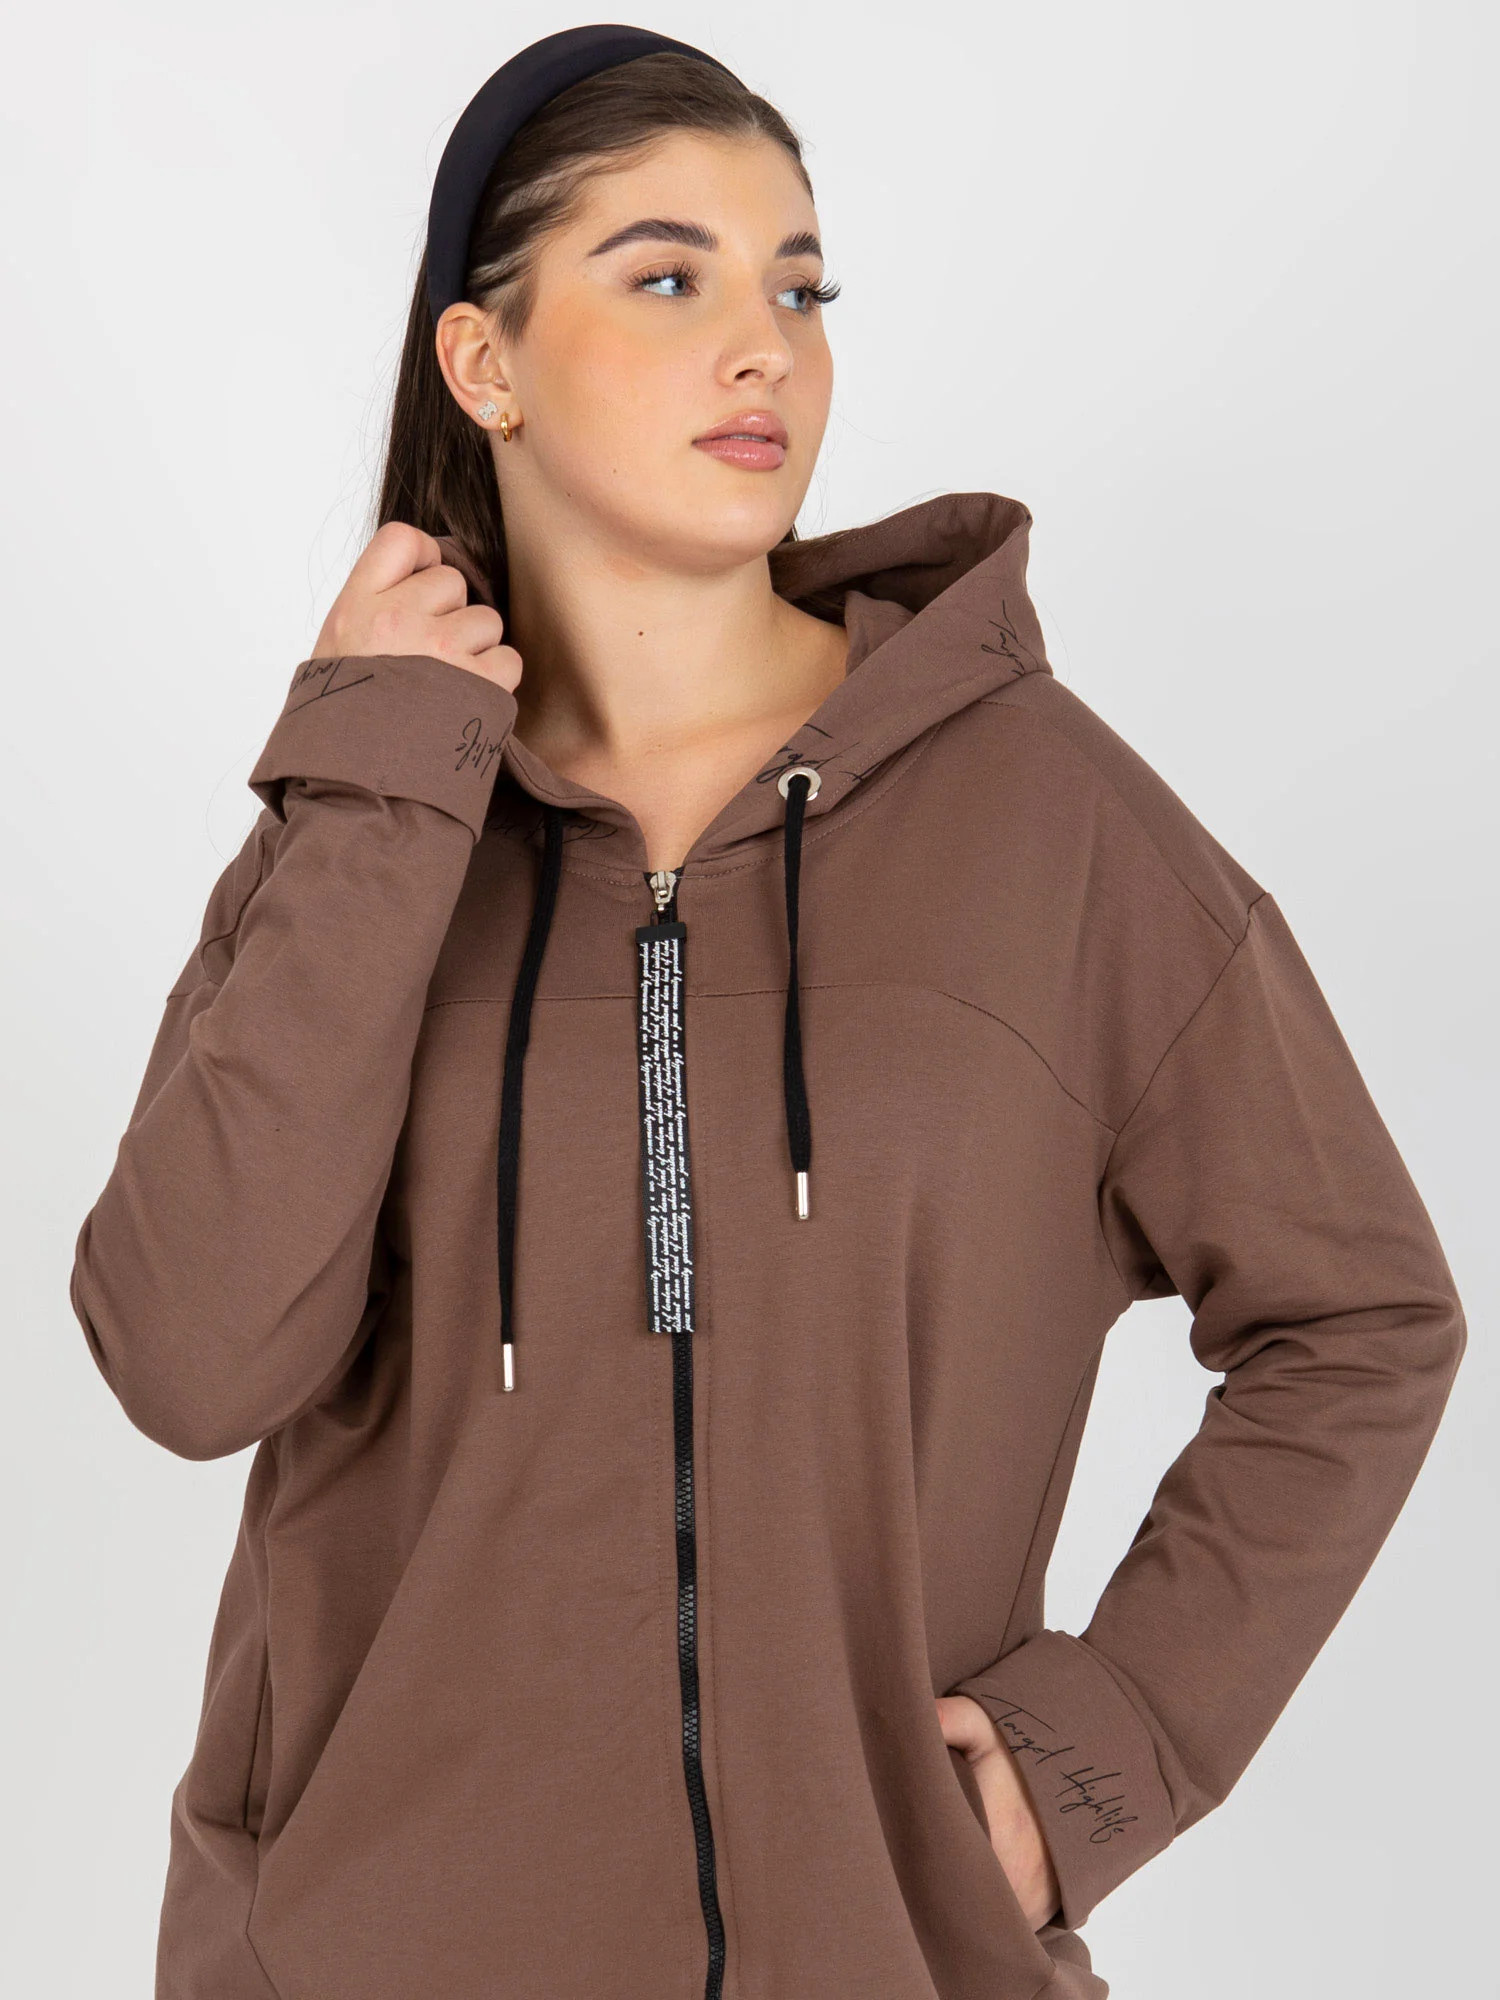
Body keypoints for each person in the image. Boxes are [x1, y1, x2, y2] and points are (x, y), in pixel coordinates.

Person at [68, 24, 1466, 2000]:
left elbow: (1362, 1314)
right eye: (669, 278)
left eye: (800, 288)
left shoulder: (1045, 819)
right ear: (484, 363)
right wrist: (380, 786)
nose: (767, 350)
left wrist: (1111, 1745)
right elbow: (190, 1359)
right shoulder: (370, 832)